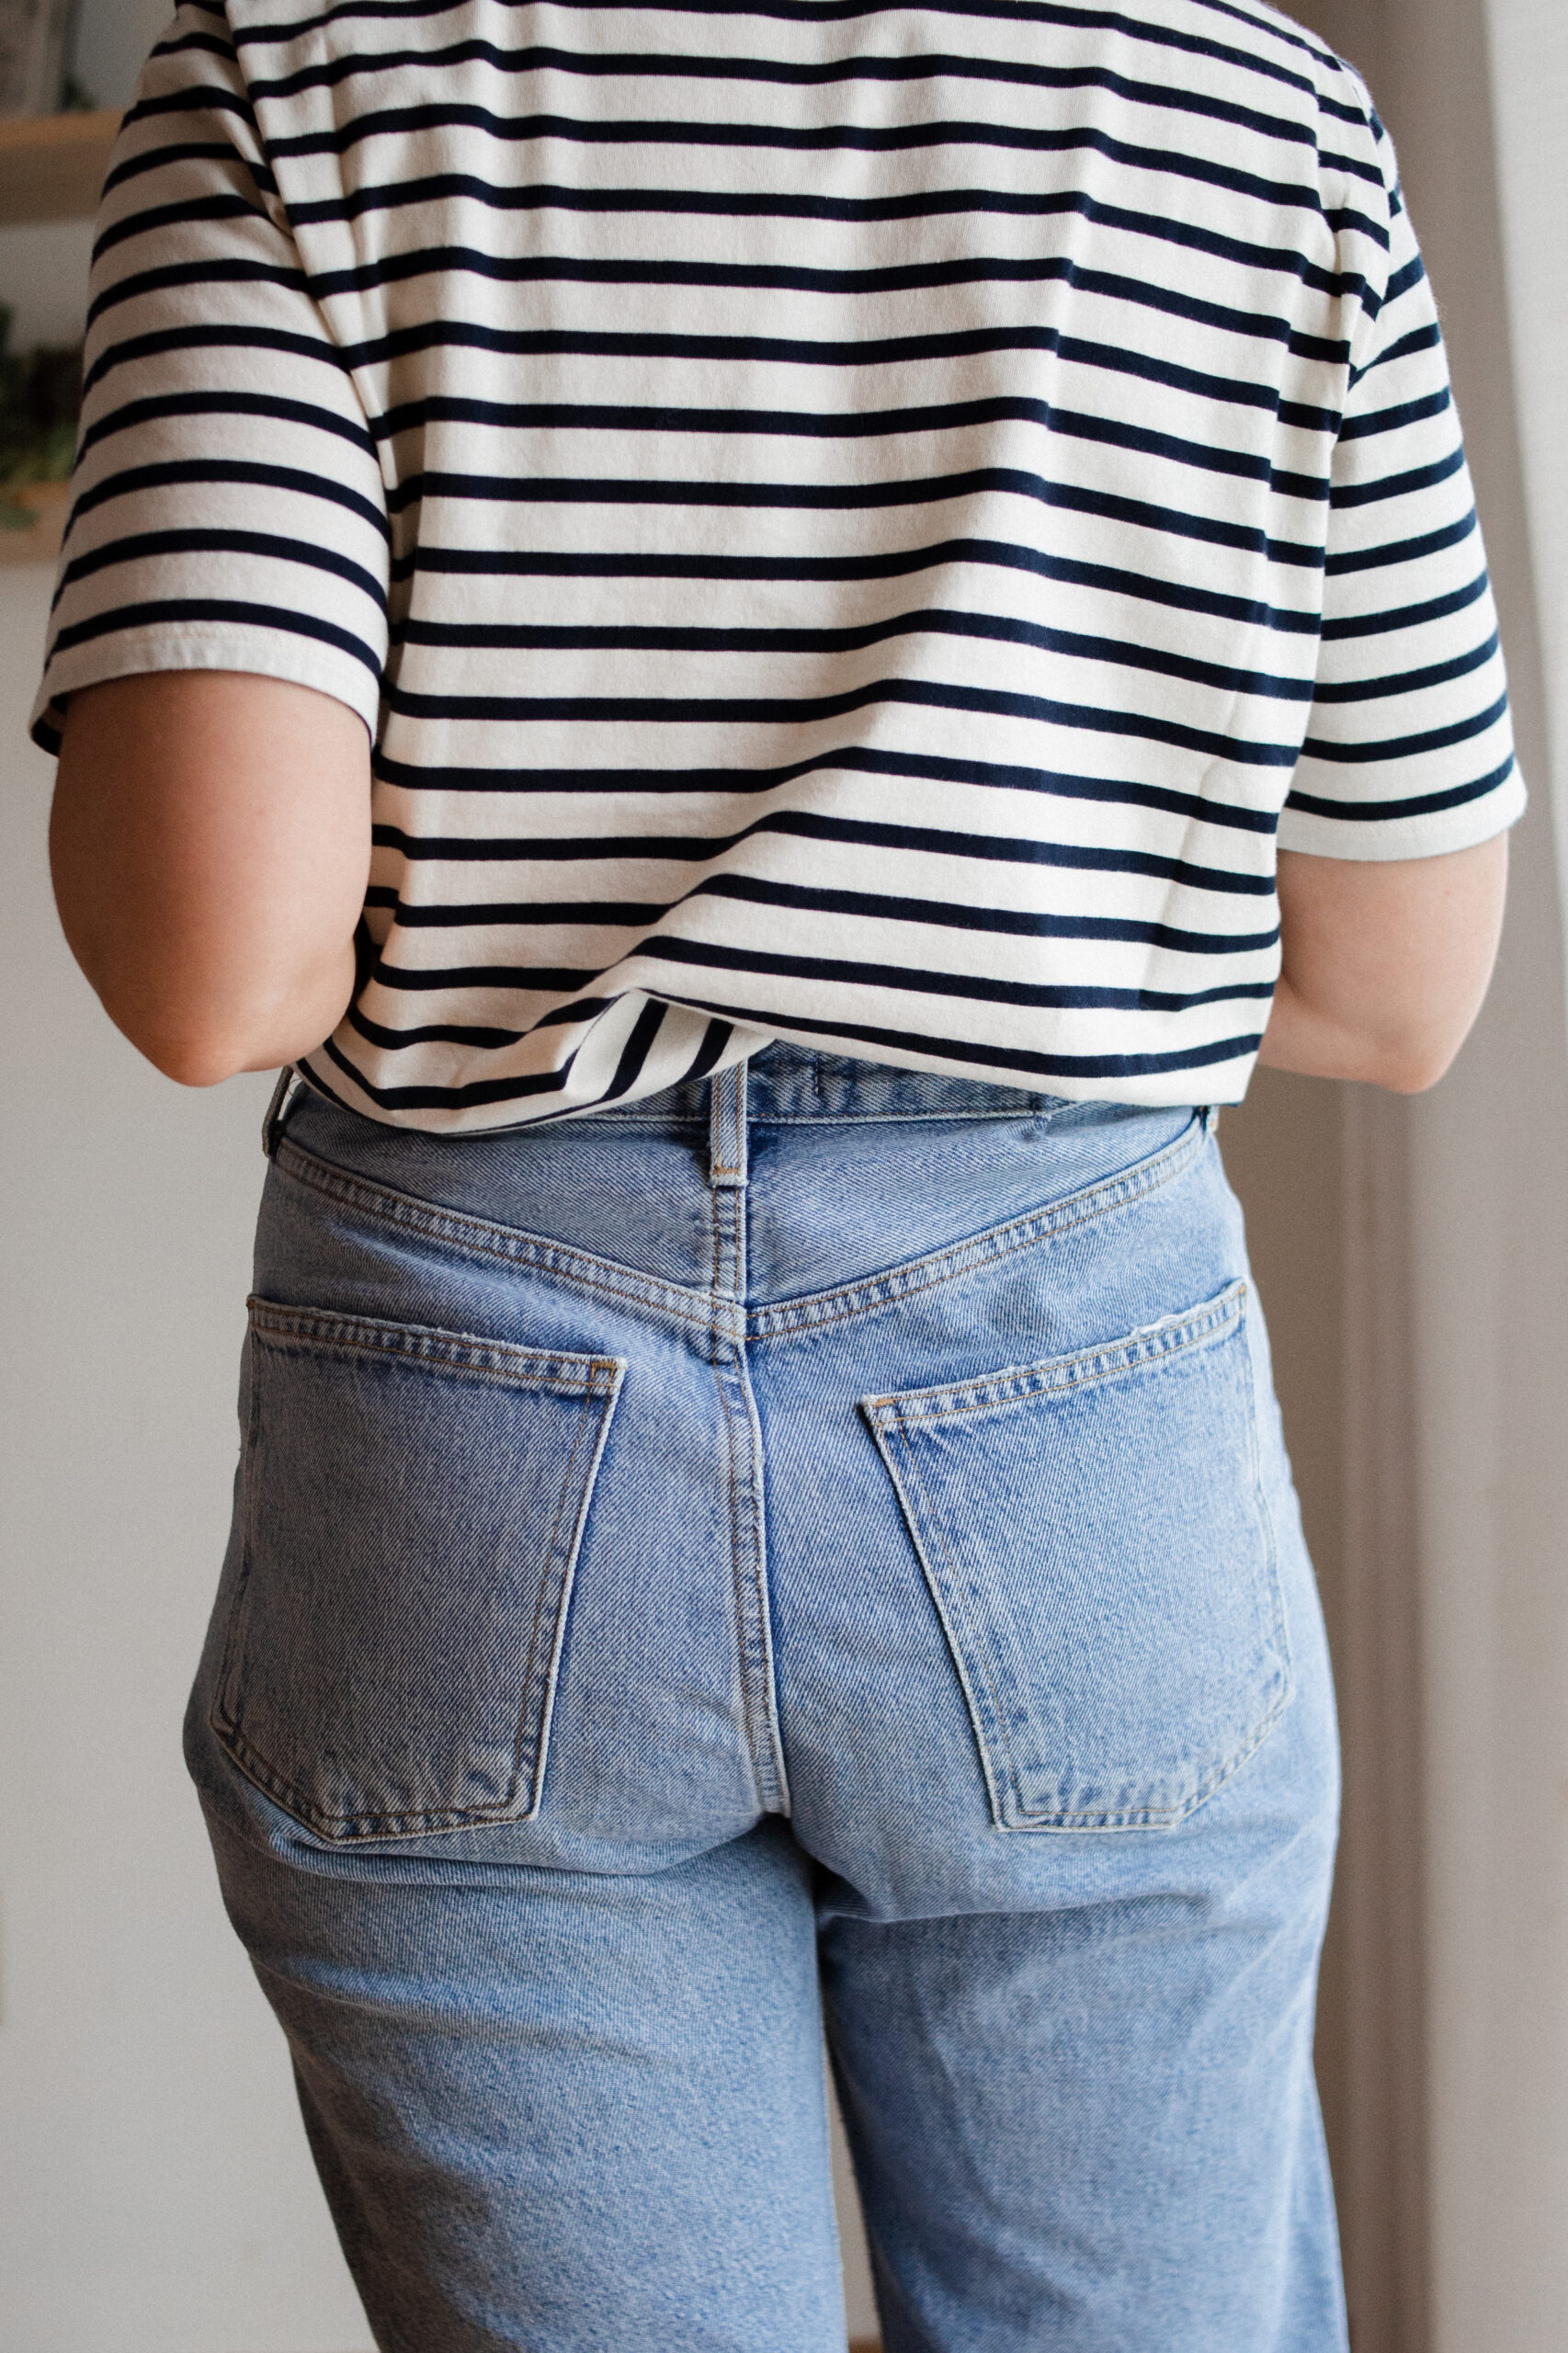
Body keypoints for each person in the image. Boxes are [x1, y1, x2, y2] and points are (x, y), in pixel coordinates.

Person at [40, 2, 1516, 2347]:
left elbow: (213, 963)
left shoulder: (309, 65)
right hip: (1064, 1385)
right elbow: (1401, 981)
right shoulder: (1248, 99)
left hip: (474, 1393)